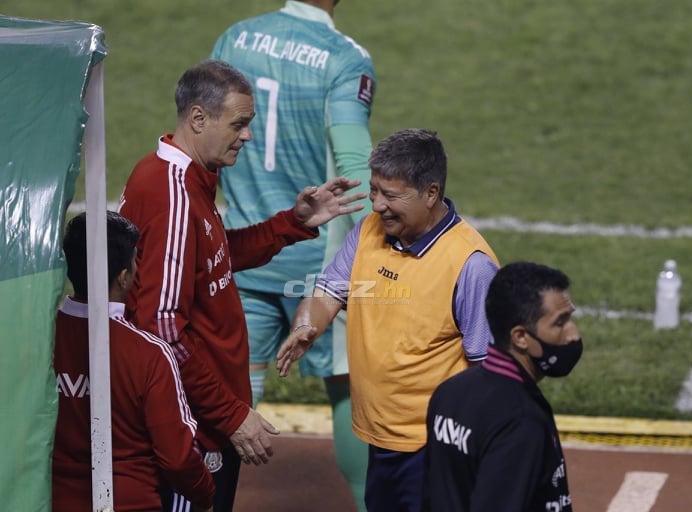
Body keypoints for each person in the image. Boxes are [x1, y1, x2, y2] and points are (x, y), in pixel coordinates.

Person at [118, 59, 365, 511]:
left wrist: (294, 223)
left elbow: (213, 257)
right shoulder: (171, 195)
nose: (247, 136)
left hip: (203, 419)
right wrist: (231, 417)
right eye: (238, 124)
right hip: (193, 428)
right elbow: (162, 332)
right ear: (198, 118)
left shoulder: (191, 179)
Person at [276, 129, 500, 511]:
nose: (377, 205)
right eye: (374, 190)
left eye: (390, 195)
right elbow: (329, 291)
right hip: (381, 440)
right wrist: (305, 327)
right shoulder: (369, 232)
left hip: (436, 447)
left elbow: (491, 370)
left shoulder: (471, 265)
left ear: (431, 193)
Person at [210, 1, 376, 507]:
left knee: (233, 404)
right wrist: (392, 242)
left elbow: (207, 139)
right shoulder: (344, 58)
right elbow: (353, 164)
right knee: (351, 395)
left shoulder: (235, 39)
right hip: (320, 270)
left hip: (241, 254)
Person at [53, 212, 214, 512]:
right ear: (123, 277)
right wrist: (206, 496)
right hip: (132, 503)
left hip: (53, 501)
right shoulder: (150, 354)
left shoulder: (39, 343)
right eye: (135, 260)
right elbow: (178, 458)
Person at [424, 262, 582, 511]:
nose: (573, 334)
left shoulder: (449, 392)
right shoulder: (521, 420)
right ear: (520, 337)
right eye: (560, 323)